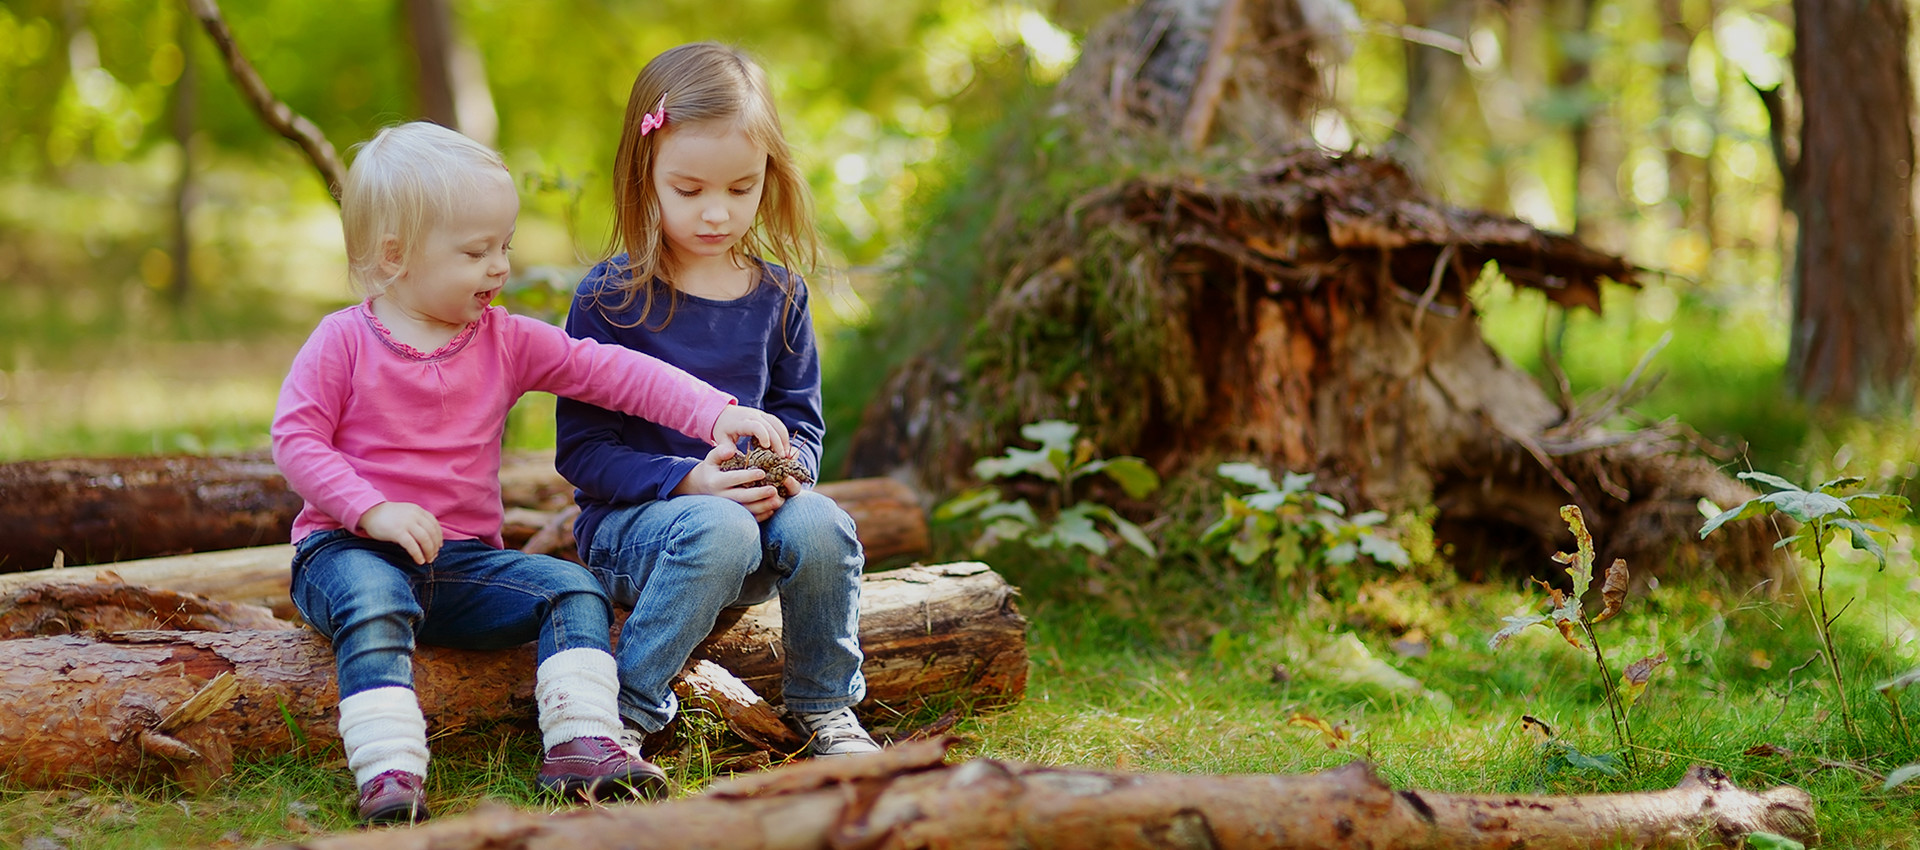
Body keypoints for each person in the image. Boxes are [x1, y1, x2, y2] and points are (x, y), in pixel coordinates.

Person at [271, 120, 792, 825]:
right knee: (375, 602)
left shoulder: (504, 339)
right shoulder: (343, 341)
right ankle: (390, 771)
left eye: (505, 247)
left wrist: (712, 413)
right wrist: (370, 510)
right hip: (346, 547)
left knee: (572, 588)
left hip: (457, 564)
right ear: (395, 257)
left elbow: (609, 372)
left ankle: (583, 743)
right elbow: (296, 441)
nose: (499, 268)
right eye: (476, 252)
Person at [554, 42, 879, 765]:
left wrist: (787, 471)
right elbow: (582, 453)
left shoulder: (781, 296)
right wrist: (691, 480)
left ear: (770, 176)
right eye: (690, 188)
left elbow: (802, 420)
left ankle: (827, 707)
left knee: (825, 523)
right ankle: (626, 714)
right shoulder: (611, 300)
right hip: (639, 534)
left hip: (753, 524)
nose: (716, 212)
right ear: (647, 178)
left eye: (741, 188)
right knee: (719, 528)